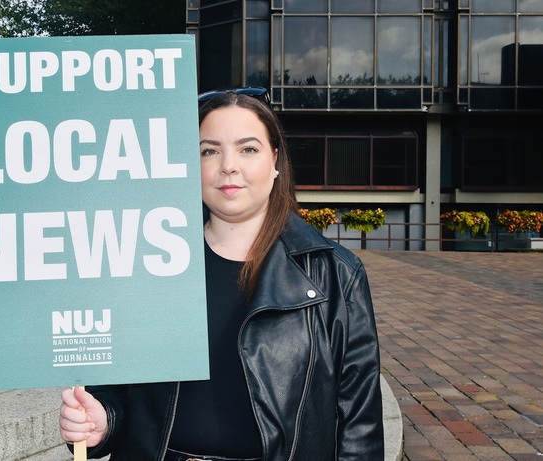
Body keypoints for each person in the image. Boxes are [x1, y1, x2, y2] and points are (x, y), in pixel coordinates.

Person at [58, 88, 384, 461]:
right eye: (208, 151)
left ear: (275, 159)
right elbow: (113, 387)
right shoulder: (137, 263)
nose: (228, 165)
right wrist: (102, 420)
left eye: (248, 148)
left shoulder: (337, 275)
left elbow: (360, 426)